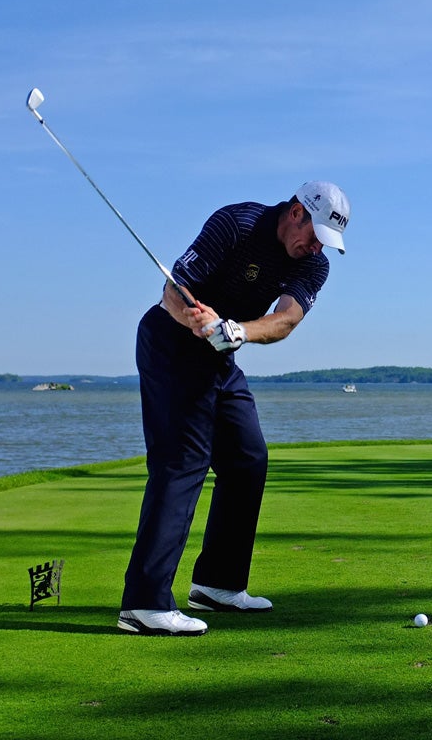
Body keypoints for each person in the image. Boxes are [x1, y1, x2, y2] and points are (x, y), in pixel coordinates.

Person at [117, 181, 351, 636]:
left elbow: (286, 319)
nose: (314, 248)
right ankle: (143, 603)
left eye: (325, 243)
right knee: (183, 461)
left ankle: (217, 584)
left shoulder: (315, 265)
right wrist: (194, 317)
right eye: (315, 235)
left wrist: (238, 331)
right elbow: (172, 291)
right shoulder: (237, 222)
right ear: (298, 212)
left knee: (247, 459)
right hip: (169, 343)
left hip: (220, 355)